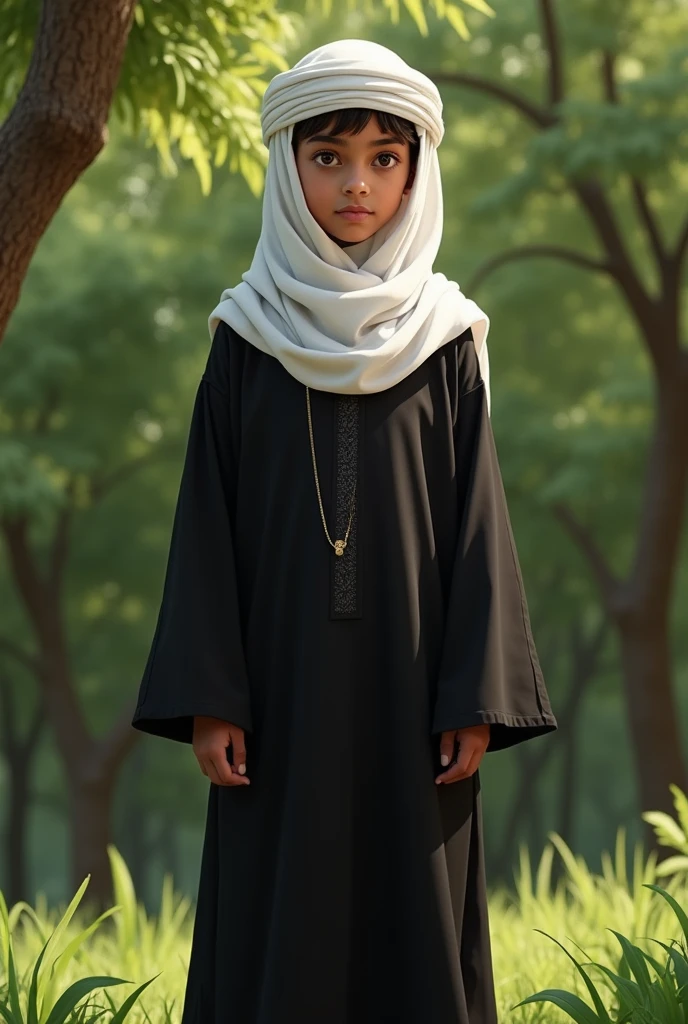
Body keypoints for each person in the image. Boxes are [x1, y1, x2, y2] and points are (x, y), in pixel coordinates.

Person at [131, 37, 558, 1024]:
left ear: (416, 168)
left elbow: (477, 530)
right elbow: (205, 527)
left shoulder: (447, 340)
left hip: (419, 706)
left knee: (416, 935)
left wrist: (475, 695)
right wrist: (211, 696)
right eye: (327, 157)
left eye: (383, 157)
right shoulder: (243, 341)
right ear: (287, 167)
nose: (356, 184)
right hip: (272, 707)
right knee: (276, 930)